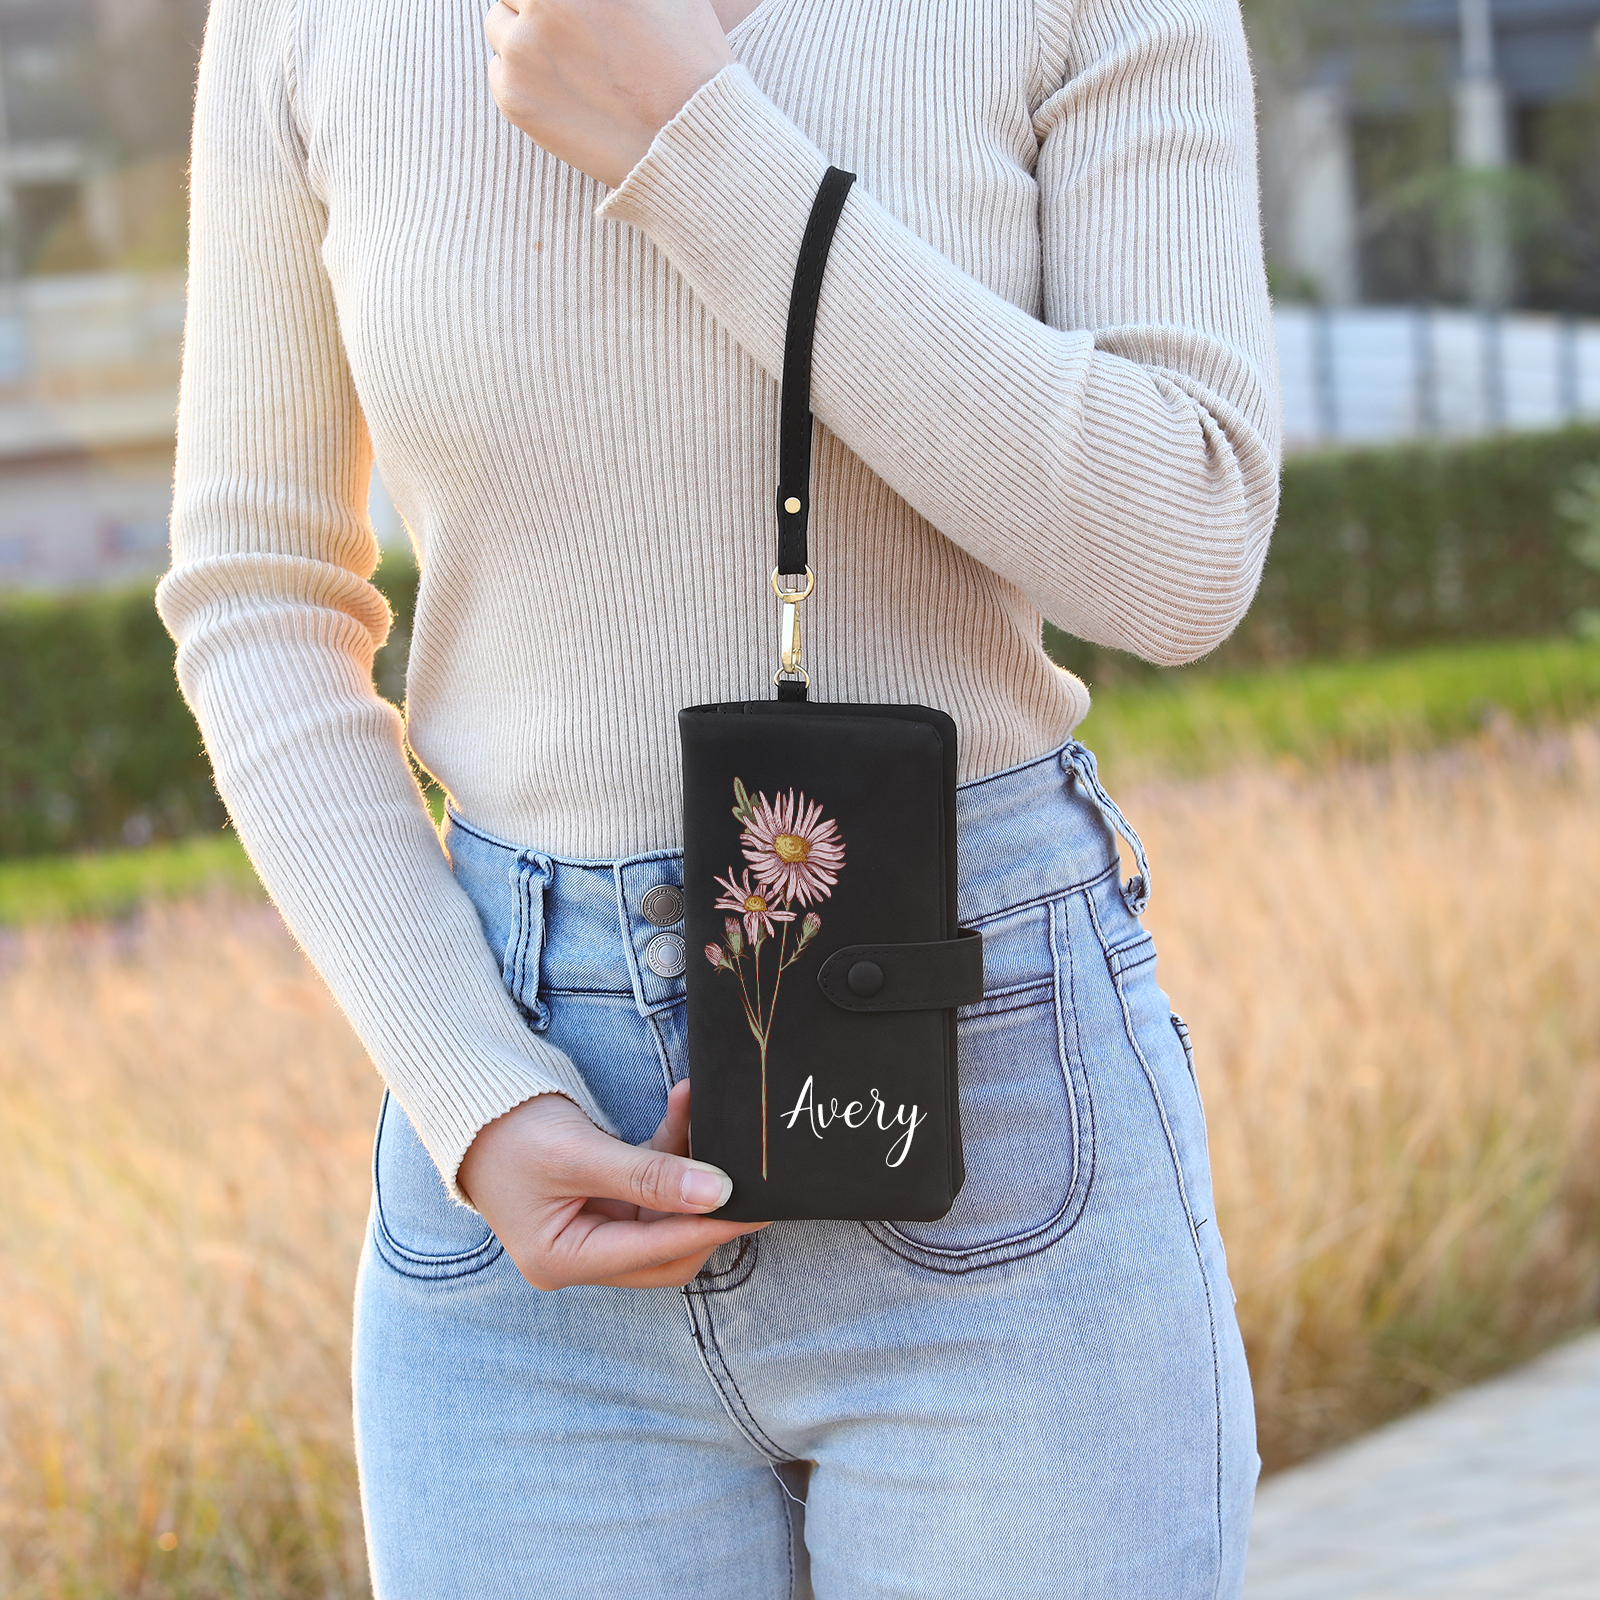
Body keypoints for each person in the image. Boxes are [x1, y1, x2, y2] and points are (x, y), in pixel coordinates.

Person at [159, 0, 1281, 1593]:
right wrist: (475, 1091)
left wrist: (697, 143)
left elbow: (1181, 542)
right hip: (517, 1176)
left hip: (992, 1112)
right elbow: (257, 600)